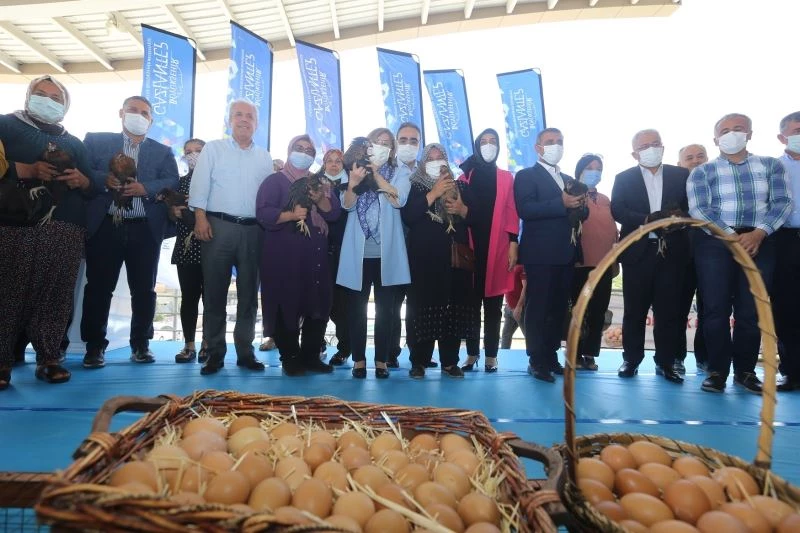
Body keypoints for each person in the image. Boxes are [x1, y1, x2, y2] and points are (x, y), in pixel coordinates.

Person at [0, 75, 94, 389]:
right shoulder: (6, 125)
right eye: (42, 94)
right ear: (28, 96)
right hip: (14, 222)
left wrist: (83, 180)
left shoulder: (74, 142)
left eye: (56, 97)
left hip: (65, 226)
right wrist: (23, 169)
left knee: (56, 294)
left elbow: (91, 182)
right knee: (8, 289)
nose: (48, 100)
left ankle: (49, 357)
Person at [688, 113, 791, 394]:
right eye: (725, 130)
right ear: (716, 139)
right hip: (714, 240)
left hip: (761, 240)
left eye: (738, 129)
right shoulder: (702, 172)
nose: (731, 134)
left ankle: (745, 371)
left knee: (751, 310)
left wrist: (759, 233)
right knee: (715, 309)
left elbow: (782, 203)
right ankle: (717, 370)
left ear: (749, 134)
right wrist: (730, 236)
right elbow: (699, 209)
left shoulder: (771, 166)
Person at [80, 95, 179, 368]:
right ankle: (94, 347)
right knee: (98, 288)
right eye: (133, 110)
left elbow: (173, 180)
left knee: (144, 290)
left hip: (144, 229)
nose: (139, 115)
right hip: (106, 226)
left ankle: (141, 345)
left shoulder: (163, 151)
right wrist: (104, 180)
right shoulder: (96, 141)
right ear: (121, 113)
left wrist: (146, 188)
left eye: (144, 113)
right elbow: (84, 169)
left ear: (151, 120)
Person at [188, 98, 272, 375]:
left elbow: (269, 197)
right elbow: (199, 184)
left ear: (256, 123)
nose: (244, 119)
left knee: (249, 296)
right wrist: (200, 217)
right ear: (229, 119)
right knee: (214, 294)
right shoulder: (213, 149)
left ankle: (245, 353)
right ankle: (214, 354)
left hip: (253, 231)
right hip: (217, 227)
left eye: (249, 116)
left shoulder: (264, 156)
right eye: (238, 114)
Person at [257, 135, 341, 376]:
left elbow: (333, 213)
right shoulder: (275, 181)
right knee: (287, 303)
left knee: (317, 302)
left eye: (309, 150)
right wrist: (291, 215)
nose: (303, 153)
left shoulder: (320, 183)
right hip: (284, 258)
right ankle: (290, 357)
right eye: (299, 148)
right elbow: (263, 212)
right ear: (289, 150)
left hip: (315, 258)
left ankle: (311, 355)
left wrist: (320, 199)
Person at [611, 129, 689, 384]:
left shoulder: (681, 175)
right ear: (635, 153)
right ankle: (631, 360)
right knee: (634, 311)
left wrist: (679, 219)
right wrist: (646, 220)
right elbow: (618, 209)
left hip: (673, 253)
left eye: (655, 143)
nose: (651, 149)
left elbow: (691, 207)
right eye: (645, 146)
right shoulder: (623, 178)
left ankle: (666, 363)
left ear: (663, 147)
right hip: (638, 254)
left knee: (668, 312)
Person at [337, 128, 411, 379]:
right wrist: (355, 183)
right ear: (368, 145)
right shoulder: (353, 170)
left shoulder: (401, 172)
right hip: (359, 254)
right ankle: (358, 359)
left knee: (386, 311)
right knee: (356, 309)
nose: (381, 146)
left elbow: (397, 199)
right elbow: (346, 205)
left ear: (391, 149)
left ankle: (381, 360)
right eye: (377, 142)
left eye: (386, 143)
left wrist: (376, 174)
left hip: (385, 254)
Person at [514, 127, 583, 382]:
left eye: (560, 141)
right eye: (550, 142)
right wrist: (561, 203)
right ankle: (536, 359)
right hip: (540, 253)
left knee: (557, 308)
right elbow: (526, 208)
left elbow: (577, 215)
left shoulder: (568, 179)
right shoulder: (525, 176)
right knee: (538, 307)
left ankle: (551, 355)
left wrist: (580, 206)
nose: (556, 146)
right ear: (538, 148)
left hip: (566, 253)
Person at [401, 143, 476, 379]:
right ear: (424, 163)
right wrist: (433, 193)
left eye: (440, 158)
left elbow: (477, 219)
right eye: (430, 158)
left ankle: (449, 362)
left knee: (451, 311)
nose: (436, 162)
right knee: (420, 310)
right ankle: (419, 361)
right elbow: (409, 216)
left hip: (454, 262)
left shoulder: (461, 186)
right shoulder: (415, 186)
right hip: (424, 260)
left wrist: (462, 209)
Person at [458, 128, 519, 373]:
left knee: (493, 307)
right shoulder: (465, 178)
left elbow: (512, 211)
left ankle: (492, 356)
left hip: (498, 248)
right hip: (471, 247)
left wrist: (514, 243)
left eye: (493, 141)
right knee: (470, 307)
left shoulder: (506, 177)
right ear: (476, 146)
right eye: (483, 141)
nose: (488, 145)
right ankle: (472, 354)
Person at [570, 154, 618, 371]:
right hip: (579, 264)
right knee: (580, 311)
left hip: (604, 264)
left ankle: (590, 354)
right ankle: (576, 353)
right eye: (589, 167)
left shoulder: (606, 199)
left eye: (598, 168)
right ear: (579, 170)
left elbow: (612, 231)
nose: (594, 172)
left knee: (599, 310)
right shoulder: (571, 195)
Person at [314, 149, 352, 366]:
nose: (334, 165)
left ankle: (344, 348)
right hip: (317, 251)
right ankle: (315, 345)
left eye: (339, 161)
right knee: (316, 302)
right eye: (330, 161)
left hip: (343, 252)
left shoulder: (353, 185)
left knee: (341, 305)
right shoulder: (313, 184)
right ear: (324, 163)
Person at [170, 138, 206, 363]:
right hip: (186, 246)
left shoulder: (217, 181)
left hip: (211, 245)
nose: (193, 155)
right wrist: (173, 211)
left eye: (199, 151)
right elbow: (172, 213)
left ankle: (209, 345)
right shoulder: (179, 183)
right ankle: (189, 345)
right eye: (188, 151)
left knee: (212, 299)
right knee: (189, 298)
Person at [772, 112, 800, 392]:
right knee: (787, 309)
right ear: (783, 137)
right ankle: (791, 371)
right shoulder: (772, 168)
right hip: (785, 241)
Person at [676, 143, 709, 374]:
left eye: (700, 156)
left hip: (713, 256)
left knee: (712, 309)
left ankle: (706, 358)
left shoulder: (718, 184)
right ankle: (674, 358)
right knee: (676, 310)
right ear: (680, 164)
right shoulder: (673, 188)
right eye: (689, 158)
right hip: (680, 258)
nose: (696, 161)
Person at [259, 158, 288, 354]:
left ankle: (295, 341)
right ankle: (271, 336)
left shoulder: (300, 184)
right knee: (271, 295)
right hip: (267, 244)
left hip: (294, 246)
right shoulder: (267, 184)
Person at [500, 266, 526, 349]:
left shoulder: (522, 266)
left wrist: (519, 306)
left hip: (519, 309)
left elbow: (525, 287)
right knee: (505, 335)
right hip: (509, 307)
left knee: (529, 336)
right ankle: (503, 356)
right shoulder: (509, 265)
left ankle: (535, 359)